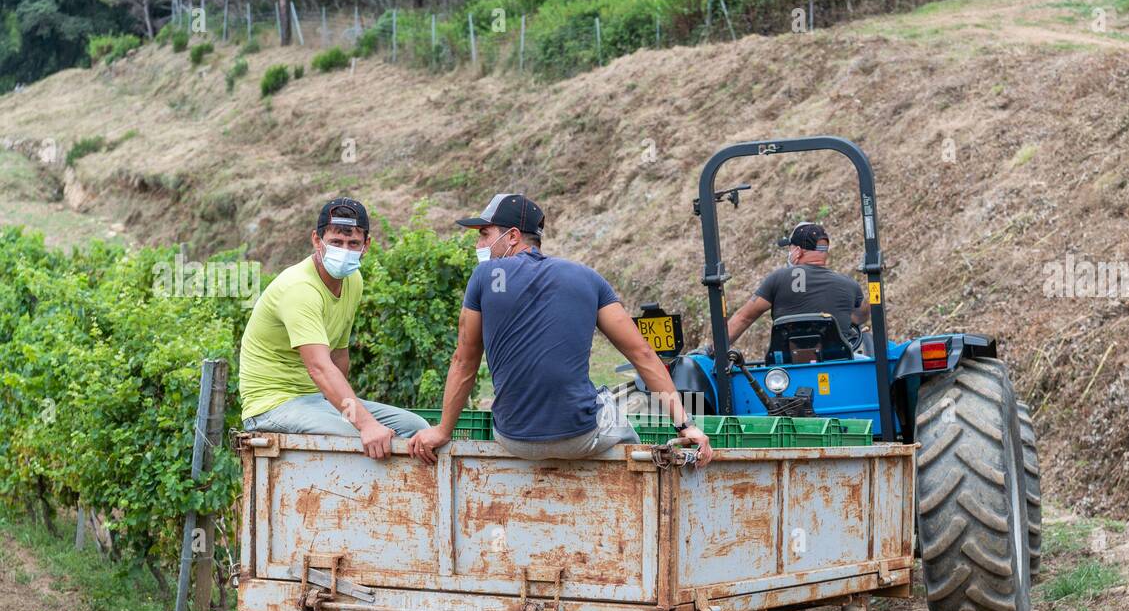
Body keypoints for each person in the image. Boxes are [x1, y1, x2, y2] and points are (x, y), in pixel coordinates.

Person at [410, 193, 711, 464]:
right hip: (579, 436)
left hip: (513, 438)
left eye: (484, 235)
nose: (479, 246)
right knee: (614, 411)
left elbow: (464, 360)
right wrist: (686, 425)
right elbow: (642, 354)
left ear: (512, 236)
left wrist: (443, 430)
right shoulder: (587, 278)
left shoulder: (485, 276)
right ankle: (631, 487)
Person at [239, 197, 428, 459]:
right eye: (336, 242)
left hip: (316, 401)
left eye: (353, 244)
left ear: (366, 245)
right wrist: (365, 423)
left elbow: (339, 355)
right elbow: (319, 367)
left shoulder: (353, 280)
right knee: (356, 438)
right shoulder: (300, 289)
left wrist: (346, 410)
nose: (344, 250)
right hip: (273, 405)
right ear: (317, 241)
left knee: (415, 428)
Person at [722, 222, 869, 349]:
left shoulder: (777, 279)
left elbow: (744, 318)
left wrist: (712, 351)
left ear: (797, 251)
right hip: (837, 362)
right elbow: (861, 316)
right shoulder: (850, 284)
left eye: (790, 248)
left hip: (788, 366)